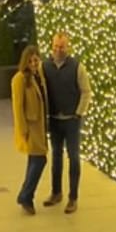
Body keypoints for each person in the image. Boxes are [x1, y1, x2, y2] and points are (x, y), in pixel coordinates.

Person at [42, 32, 92, 214]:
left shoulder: (78, 67)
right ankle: (56, 193)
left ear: (68, 47)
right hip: (54, 119)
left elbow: (86, 91)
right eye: (55, 46)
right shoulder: (44, 66)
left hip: (72, 120)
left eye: (61, 46)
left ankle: (73, 197)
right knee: (56, 157)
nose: (58, 49)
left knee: (74, 158)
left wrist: (79, 113)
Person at [11, 45, 48, 215]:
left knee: (34, 161)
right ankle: (25, 195)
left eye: (36, 60)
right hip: (31, 127)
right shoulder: (19, 79)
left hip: (39, 126)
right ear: (25, 61)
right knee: (40, 160)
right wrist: (23, 130)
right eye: (30, 61)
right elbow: (18, 107)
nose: (33, 63)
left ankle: (26, 196)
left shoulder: (37, 76)